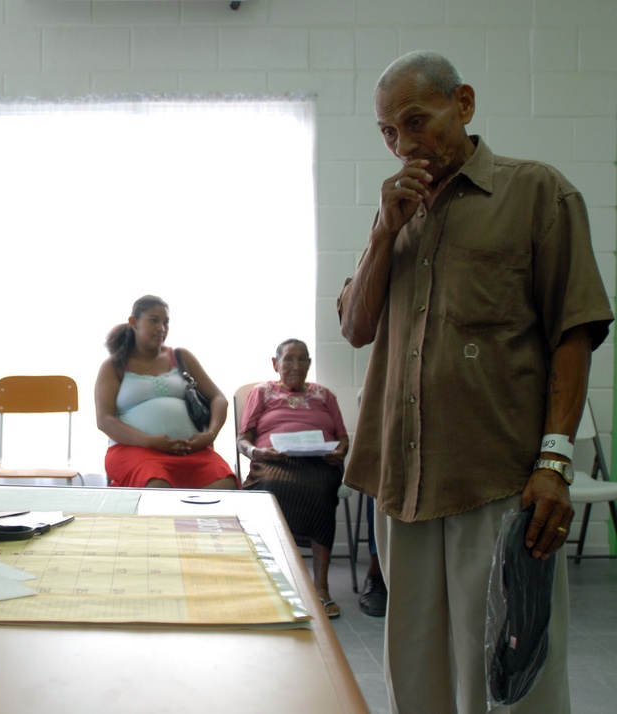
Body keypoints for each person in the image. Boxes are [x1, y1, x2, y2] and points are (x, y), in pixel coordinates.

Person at [337, 50, 613, 714]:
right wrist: (381, 233)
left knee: (513, 679)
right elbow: (355, 327)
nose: (403, 144)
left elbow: (573, 333)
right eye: (386, 132)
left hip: (498, 485)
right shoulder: (396, 218)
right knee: (417, 673)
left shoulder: (538, 192)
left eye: (416, 120)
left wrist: (555, 462)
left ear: (462, 104)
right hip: (404, 487)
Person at [236, 339, 349, 619]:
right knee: (273, 489)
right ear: (275, 364)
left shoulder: (324, 395)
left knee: (322, 491)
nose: (295, 365)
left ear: (310, 365)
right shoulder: (261, 392)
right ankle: (274, 582)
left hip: (319, 463)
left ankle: (320, 587)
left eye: (302, 360)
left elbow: (343, 437)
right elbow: (243, 439)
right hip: (273, 461)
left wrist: (340, 452)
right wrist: (257, 452)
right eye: (288, 359)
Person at [95, 294, 236, 490]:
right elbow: (105, 420)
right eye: (154, 321)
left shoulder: (181, 357)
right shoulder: (114, 366)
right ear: (133, 322)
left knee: (226, 484)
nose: (161, 328)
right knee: (157, 487)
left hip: (190, 452)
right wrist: (149, 441)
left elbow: (218, 398)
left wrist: (210, 434)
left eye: (166, 322)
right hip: (133, 450)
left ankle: (193, 522)